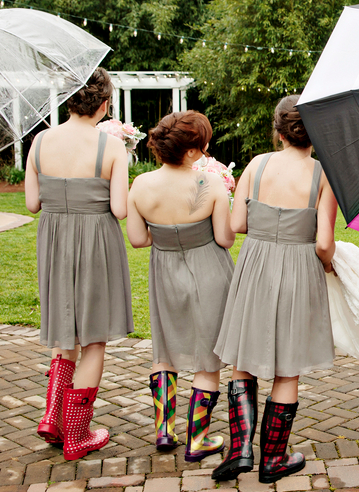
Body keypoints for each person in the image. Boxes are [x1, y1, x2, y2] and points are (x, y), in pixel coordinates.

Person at [212, 95, 338, 483]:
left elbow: (236, 223)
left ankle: (239, 451)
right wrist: (330, 263)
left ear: (278, 130)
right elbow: (323, 242)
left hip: (256, 265)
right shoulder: (323, 174)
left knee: (243, 361)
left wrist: (267, 225)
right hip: (300, 267)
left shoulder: (257, 165)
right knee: (287, 370)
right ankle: (273, 460)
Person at [24, 67, 132, 461]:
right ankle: (77, 434)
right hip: (95, 240)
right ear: (104, 104)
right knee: (94, 338)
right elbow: (120, 208)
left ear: (70, 100)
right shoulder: (111, 147)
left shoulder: (39, 141)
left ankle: (53, 419)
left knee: (64, 331)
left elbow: (32, 204)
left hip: (54, 240)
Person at [126, 111, 235, 462]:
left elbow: (138, 239)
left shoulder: (140, 185)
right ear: (190, 152)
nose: (205, 151)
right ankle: (198, 439)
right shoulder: (210, 185)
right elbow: (224, 238)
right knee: (208, 356)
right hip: (208, 269)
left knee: (165, 347)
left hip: (164, 271)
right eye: (202, 146)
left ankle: (163, 430)